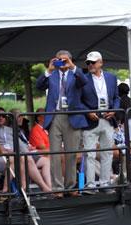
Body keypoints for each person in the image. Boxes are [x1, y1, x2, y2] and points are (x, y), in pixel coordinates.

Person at [35, 50, 87, 194]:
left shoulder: (76, 73)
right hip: (55, 116)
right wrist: (48, 70)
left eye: (64, 60)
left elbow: (84, 81)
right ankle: (57, 187)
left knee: (71, 153)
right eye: (59, 60)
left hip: (72, 116)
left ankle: (70, 187)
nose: (61, 63)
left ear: (70, 60)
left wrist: (72, 66)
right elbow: (38, 86)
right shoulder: (52, 75)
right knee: (55, 154)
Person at [78, 51, 121, 191]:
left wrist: (114, 110)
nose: (90, 65)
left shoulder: (111, 77)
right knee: (89, 154)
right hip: (91, 120)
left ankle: (104, 183)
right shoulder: (83, 79)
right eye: (88, 63)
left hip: (107, 119)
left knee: (107, 153)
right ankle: (90, 185)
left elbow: (116, 98)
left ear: (100, 62)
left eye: (93, 62)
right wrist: (88, 112)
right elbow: (77, 101)